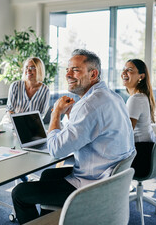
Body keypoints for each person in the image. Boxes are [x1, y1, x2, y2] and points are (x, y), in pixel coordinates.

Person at [11, 49, 135, 224]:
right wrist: (70, 116)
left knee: (20, 193)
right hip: (109, 178)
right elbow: (87, 131)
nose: (68, 74)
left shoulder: (89, 105)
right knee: (48, 175)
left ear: (93, 74)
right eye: (68, 69)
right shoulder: (112, 97)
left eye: (75, 70)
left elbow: (56, 150)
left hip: (93, 185)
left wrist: (56, 114)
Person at [121, 58, 156, 177]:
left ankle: (115, 191)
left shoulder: (136, 99)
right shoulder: (142, 96)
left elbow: (127, 132)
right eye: (124, 70)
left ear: (141, 76)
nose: (124, 73)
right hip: (146, 151)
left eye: (129, 70)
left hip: (140, 157)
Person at [1, 57, 50, 125]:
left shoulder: (45, 90)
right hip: (11, 123)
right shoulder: (15, 86)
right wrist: (20, 124)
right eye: (27, 67)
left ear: (39, 70)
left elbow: (41, 114)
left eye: (32, 67)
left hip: (31, 125)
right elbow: (10, 110)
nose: (28, 70)